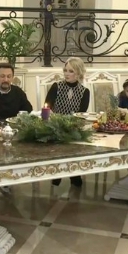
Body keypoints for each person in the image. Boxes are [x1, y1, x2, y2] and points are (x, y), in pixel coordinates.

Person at [44, 57, 90, 187]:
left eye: (71, 71)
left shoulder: (84, 92)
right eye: (65, 70)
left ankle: (74, 172)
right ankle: (58, 172)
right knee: (59, 138)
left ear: (78, 73)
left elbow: (81, 114)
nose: (66, 74)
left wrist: (71, 125)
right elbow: (47, 108)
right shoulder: (56, 87)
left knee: (73, 138)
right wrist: (51, 119)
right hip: (55, 125)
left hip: (73, 126)